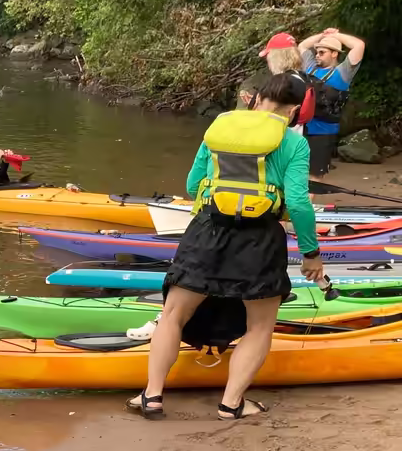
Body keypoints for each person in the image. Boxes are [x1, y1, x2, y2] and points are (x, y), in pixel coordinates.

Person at [127, 73, 324, 421]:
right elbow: (297, 202)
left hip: (206, 232)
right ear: (294, 110)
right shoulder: (294, 144)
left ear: (256, 98)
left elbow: (192, 185)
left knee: (173, 315)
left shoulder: (220, 128)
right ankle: (231, 404)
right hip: (259, 239)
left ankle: (152, 396)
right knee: (259, 326)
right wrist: (311, 254)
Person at [298, 27, 366, 177]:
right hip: (302, 129)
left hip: (323, 132)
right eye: (317, 52)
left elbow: (359, 45)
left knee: (314, 175)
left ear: (334, 54)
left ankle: (307, 200)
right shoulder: (310, 67)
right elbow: (302, 46)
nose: (317, 55)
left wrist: (336, 35)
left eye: (322, 52)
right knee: (297, 172)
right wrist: (323, 35)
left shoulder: (343, 72)